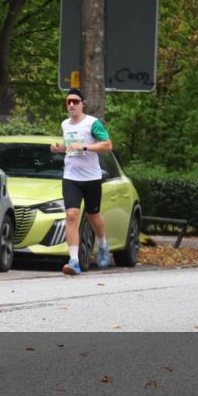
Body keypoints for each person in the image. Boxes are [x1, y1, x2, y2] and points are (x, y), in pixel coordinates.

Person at [49, 88, 113, 275]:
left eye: (75, 101)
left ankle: (102, 245)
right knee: (71, 215)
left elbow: (108, 145)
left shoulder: (92, 123)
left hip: (91, 177)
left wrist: (85, 146)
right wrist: (58, 148)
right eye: (68, 101)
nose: (71, 105)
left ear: (82, 103)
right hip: (71, 177)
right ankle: (74, 261)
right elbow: (70, 147)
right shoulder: (65, 124)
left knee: (93, 215)